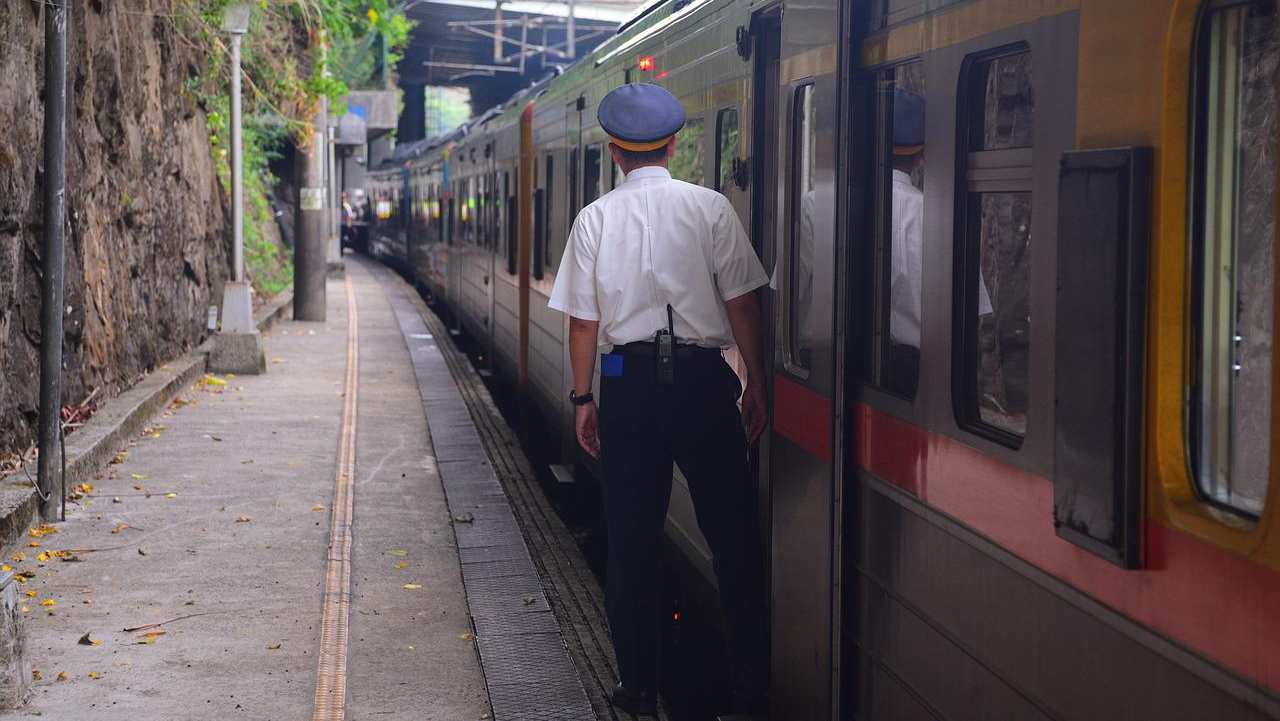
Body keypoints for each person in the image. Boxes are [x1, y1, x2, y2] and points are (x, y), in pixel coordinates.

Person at [548, 83, 771, 718]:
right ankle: (750, 687)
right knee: (732, 539)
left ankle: (638, 685)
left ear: (614, 151)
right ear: (673, 146)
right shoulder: (711, 209)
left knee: (633, 541)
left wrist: (583, 398)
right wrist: (755, 382)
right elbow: (743, 304)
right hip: (705, 385)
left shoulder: (594, 219)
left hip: (629, 388)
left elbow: (583, 325)